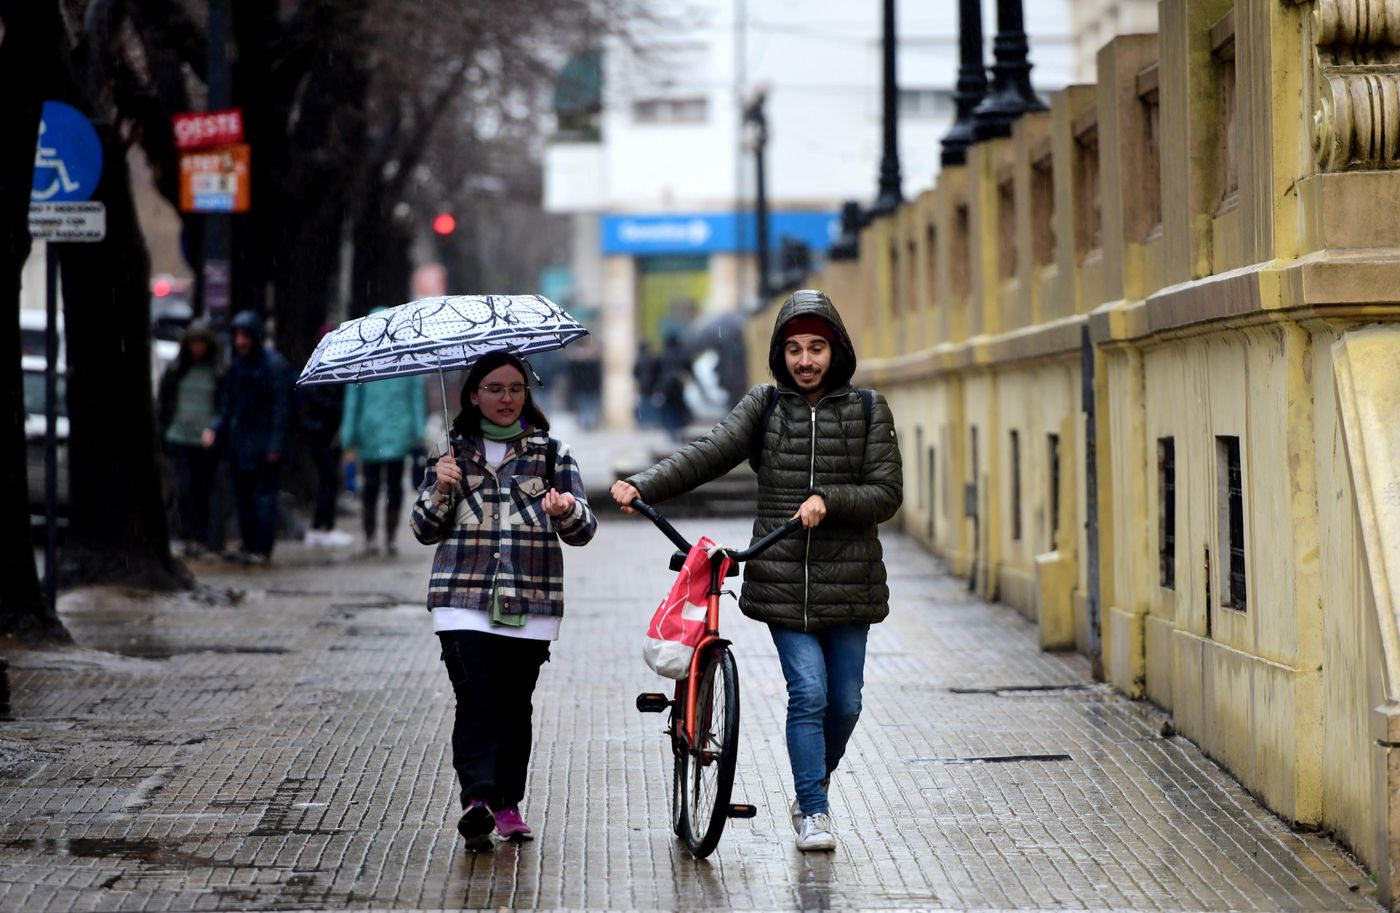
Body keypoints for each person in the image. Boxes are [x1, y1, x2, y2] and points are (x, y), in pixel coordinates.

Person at [610, 289, 902, 853]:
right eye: (794, 348)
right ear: (780, 353)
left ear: (836, 349)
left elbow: (887, 493)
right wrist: (643, 484)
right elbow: (709, 453)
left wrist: (830, 500)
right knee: (810, 693)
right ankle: (814, 812)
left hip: (852, 581)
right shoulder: (764, 406)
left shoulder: (869, 409)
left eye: (816, 347)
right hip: (781, 576)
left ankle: (811, 786)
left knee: (847, 703)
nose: (806, 360)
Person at [411, 350, 597, 851]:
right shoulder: (450, 454)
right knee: (476, 699)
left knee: (515, 707)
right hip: (461, 599)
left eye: (515, 388)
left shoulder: (552, 453)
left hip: (530, 604)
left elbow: (584, 530)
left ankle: (507, 803)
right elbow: (423, 530)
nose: (505, 398)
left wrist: (564, 509)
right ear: (473, 395)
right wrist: (439, 490)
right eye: (494, 388)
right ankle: (477, 800)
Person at [205, 310, 292, 566]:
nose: (240, 341)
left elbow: (280, 409)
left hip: (262, 446)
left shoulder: (272, 366)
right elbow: (229, 404)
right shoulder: (238, 365)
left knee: (263, 499)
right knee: (243, 498)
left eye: (245, 335)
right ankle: (250, 542)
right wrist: (215, 427)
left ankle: (261, 547)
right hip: (241, 444)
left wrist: (275, 443)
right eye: (237, 336)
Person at [340, 327, 427, 555]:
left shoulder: (362, 359)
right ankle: (390, 537)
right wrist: (418, 432)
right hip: (398, 435)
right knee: (393, 487)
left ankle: (370, 537)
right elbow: (416, 398)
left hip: (370, 435)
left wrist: (348, 434)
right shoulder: (406, 358)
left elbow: (353, 402)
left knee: (370, 486)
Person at [157, 320, 223, 558]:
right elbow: (165, 404)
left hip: (204, 440)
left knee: (201, 489)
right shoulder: (176, 372)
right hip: (179, 437)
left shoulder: (216, 373)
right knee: (183, 487)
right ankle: (185, 533)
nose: (197, 349)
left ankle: (199, 534)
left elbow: (222, 404)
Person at [301, 325, 353, 548]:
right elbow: (317, 401)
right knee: (328, 480)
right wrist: (339, 408)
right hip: (322, 434)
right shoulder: (321, 368)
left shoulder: (334, 367)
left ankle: (323, 525)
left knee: (329, 480)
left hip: (329, 433)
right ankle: (322, 526)